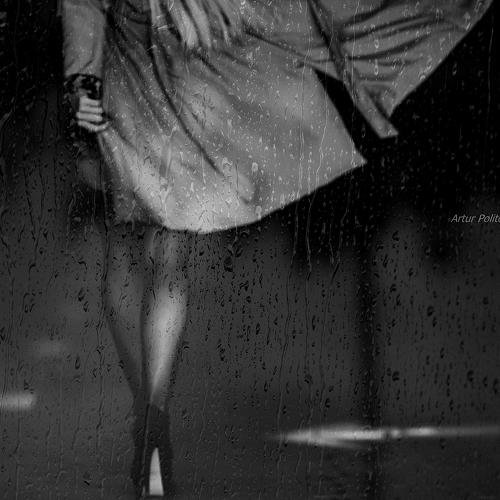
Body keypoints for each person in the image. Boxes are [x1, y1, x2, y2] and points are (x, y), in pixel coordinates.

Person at [61, 0, 492, 497]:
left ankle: (151, 409)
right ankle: (152, 409)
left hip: (154, 69)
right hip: (148, 69)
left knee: (141, 247)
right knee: (149, 249)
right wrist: (83, 77)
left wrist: (84, 76)